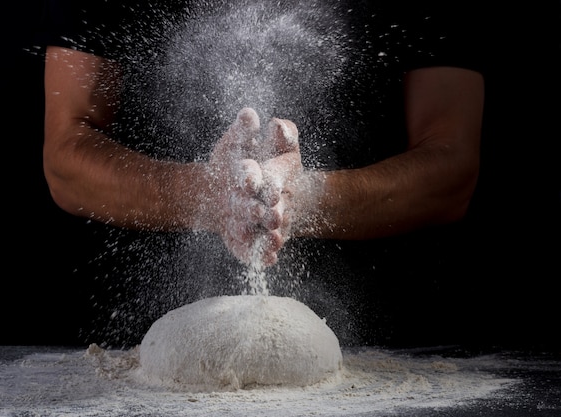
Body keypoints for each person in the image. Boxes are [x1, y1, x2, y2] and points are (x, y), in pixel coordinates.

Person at [40, 0, 486, 347]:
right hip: (121, 353)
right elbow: (65, 160)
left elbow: (452, 170)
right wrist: (209, 195)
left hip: (397, 348)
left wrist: (304, 199)